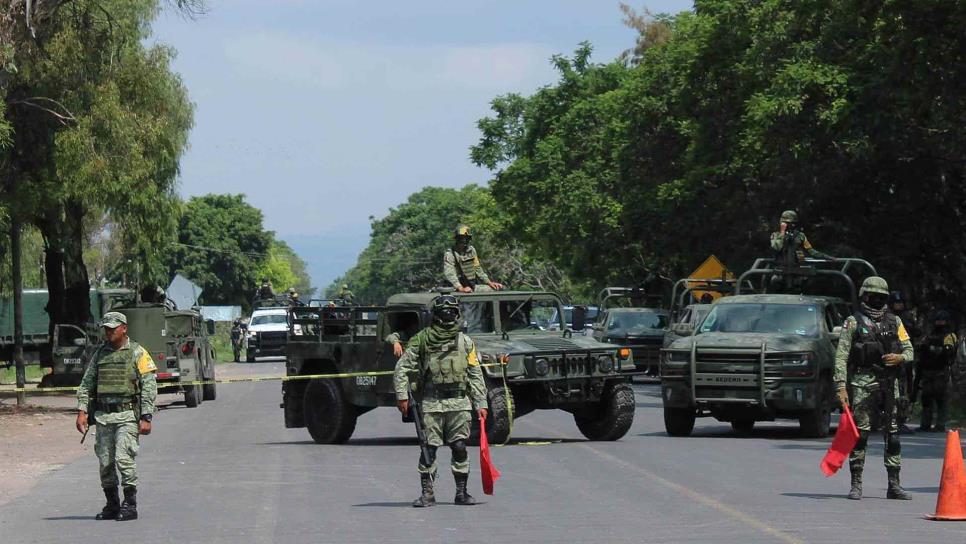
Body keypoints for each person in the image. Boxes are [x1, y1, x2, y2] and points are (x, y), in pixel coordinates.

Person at [393, 295, 488, 507]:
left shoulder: (466, 342)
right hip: (431, 403)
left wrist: (481, 403)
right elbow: (402, 367)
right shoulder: (422, 339)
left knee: (460, 446)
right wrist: (402, 395)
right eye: (443, 312)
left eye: (451, 312)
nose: (447, 315)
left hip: (459, 403)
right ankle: (427, 493)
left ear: (457, 314)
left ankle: (461, 493)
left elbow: (475, 373)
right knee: (429, 448)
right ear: (435, 315)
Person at [834, 276, 914, 501]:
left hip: (890, 384)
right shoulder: (853, 322)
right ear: (864, 296)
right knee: (860, 435)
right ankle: (856, 483)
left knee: (893, 435)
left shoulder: (895, 322)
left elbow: (910, 351)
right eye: (873, 296)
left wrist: (899, 357)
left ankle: (894, 484)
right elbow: (841, 357)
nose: (877, 301)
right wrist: (840, 386)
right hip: (862, 383)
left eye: (881, 297)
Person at [75, 312, 158, 521]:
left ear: (124, 328)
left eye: (113, 328)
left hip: (127, 415)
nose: (109, 332)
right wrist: (82, 411)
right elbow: (86, 384)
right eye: (106, 328)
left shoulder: (137, 352)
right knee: (105, 463)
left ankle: (130, 504)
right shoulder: (100, 354)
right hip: (103, 417)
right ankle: (112, 504)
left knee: (124, 458)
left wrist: (146, 416)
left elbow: (149, 385)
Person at [917, 310, 957, 432]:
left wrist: (935, 349)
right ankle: (925, 424)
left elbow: (949, 351)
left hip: (941, 371)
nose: (940, 323)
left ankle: (940, 424)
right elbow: (922, 350)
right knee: (926, 398)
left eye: (942, 321)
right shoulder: (929, 335)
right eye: (938, 321)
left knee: (940, 398)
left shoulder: (950, 336)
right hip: (928, 371)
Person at [889, 291, 919, 434]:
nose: (899, 306)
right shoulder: (886, 317)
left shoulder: (906, 317)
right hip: (888, 358)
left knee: (903, 390)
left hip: (904, 359)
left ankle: (900, 421)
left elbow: (916, 333)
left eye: (901, 303)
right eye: (896, 303)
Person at [443, 226, 503, 293]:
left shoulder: (471, 250)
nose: (464, 241)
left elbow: (477, 268)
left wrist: (489, 282)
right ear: (457, 239)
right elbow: (450, 274)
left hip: (472, 285)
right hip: (457, 288)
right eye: (461, 239)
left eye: (466, 239)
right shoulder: (450, 254)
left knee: (497, 290)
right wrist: (461, 288)